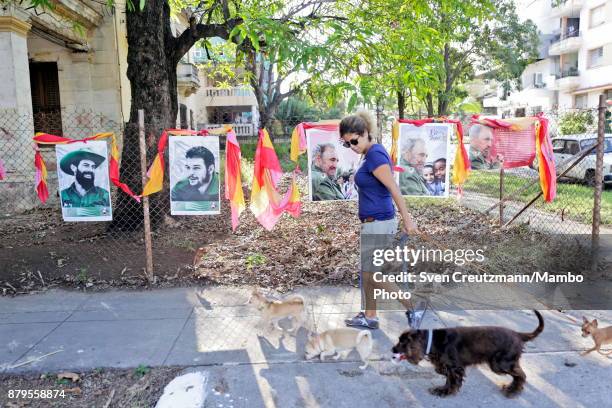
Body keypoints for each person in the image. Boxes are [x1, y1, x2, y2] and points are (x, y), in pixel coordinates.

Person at [340, 110, 424, 330]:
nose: (352, 146)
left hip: (379, 222)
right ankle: (370, 316)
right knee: (367, 274)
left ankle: (412, 304)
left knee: (373, 276)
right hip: (372, 222)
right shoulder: (368, 155)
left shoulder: (376, 154)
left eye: (355, 141)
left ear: (366, 133)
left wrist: (408, 220)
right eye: (347, 144)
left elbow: (393, 188)